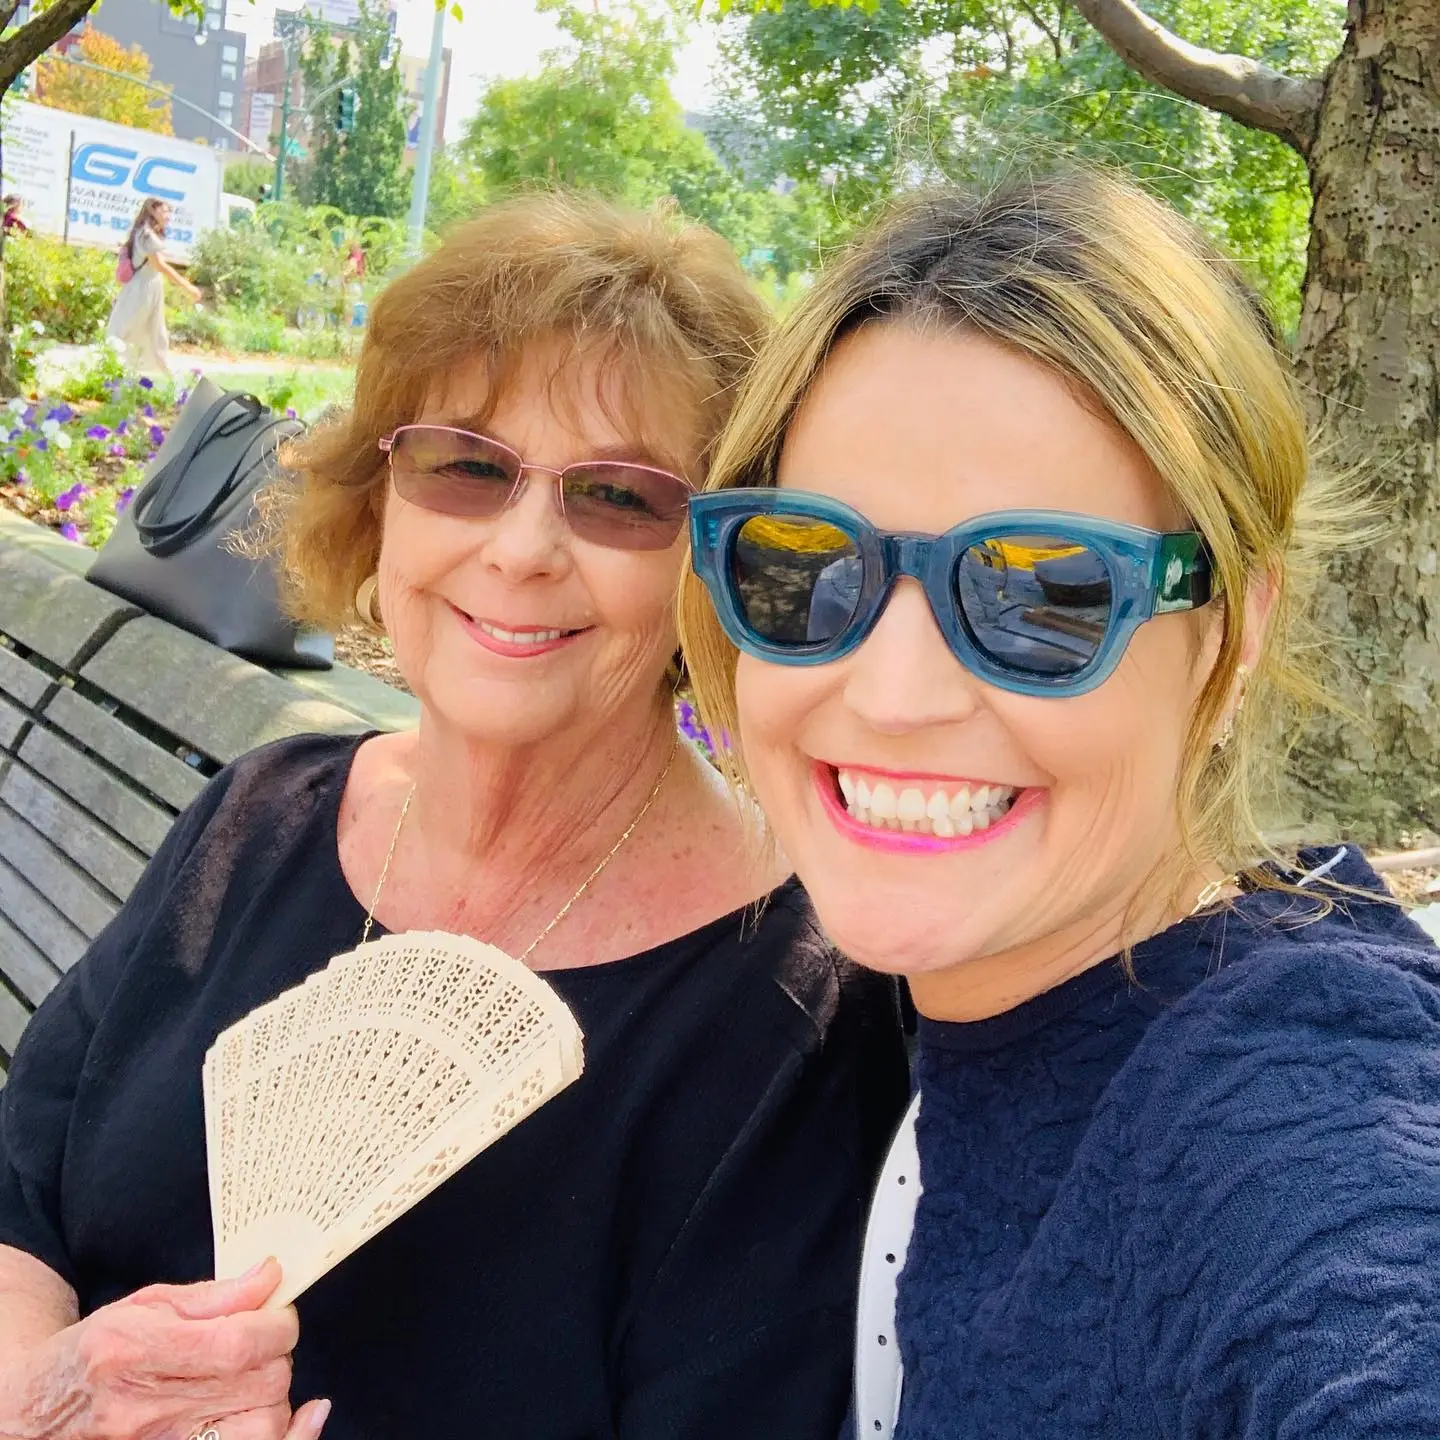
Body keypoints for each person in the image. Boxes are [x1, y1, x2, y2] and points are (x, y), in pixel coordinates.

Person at [0, 194, 908, 1440]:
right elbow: (19, 1204)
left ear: (712, 565)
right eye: (467, 467)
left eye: (621, 497)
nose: (524, 548)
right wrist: (48, 1395)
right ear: (383, 501)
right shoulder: (258, 816)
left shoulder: (795, 1021)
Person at [680, 168, 1440, 1438]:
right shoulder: (962, 1007)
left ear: (1231, 631)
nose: (895, 692)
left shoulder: (1286, 1102)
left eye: (1042, 594)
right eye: (811, 566)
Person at [106, 197, 200, 375]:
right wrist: (188, 287)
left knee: (146, 331)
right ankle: (119, 369)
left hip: (144, 287)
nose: (168, 216)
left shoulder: (143, 233)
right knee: (129, 331)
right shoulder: (147, 235)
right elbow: (160, 266)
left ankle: (156, 371)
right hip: (143, 289)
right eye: (164, 211)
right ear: (153, 211)